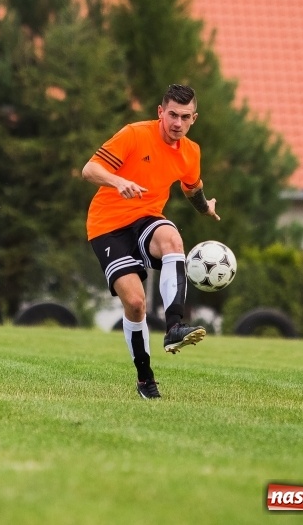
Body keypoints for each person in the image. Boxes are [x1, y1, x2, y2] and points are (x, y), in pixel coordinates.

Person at [82, 84, 220, 400]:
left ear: (193, 119)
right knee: (135, 304)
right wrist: (119, 181)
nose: (177, 123)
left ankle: (174, 328)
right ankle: (145, 379)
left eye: (185, 117)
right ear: (160, 113)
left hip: (146, 218)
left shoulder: (191, 152)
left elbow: (192, 188)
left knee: (172, 238)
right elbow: (90, 169)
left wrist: (206, 208)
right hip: (107, 226)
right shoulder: (134, 134)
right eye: (172, 114)